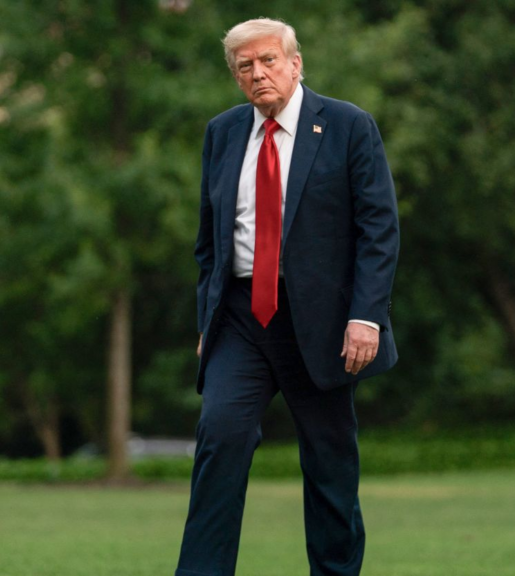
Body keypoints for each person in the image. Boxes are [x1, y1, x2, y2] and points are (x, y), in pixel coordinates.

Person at [176, 17, 399, 576]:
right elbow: (209, 242)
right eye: (245, 66)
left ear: (295, 63)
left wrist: (365, 317)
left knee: (330, 466)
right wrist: (208, 317)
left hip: (324, 326)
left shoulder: (348, 126)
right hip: (240, 320)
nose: (258, 74)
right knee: (219, 439)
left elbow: (379, 229)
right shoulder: (222, 133)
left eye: (268, 60)